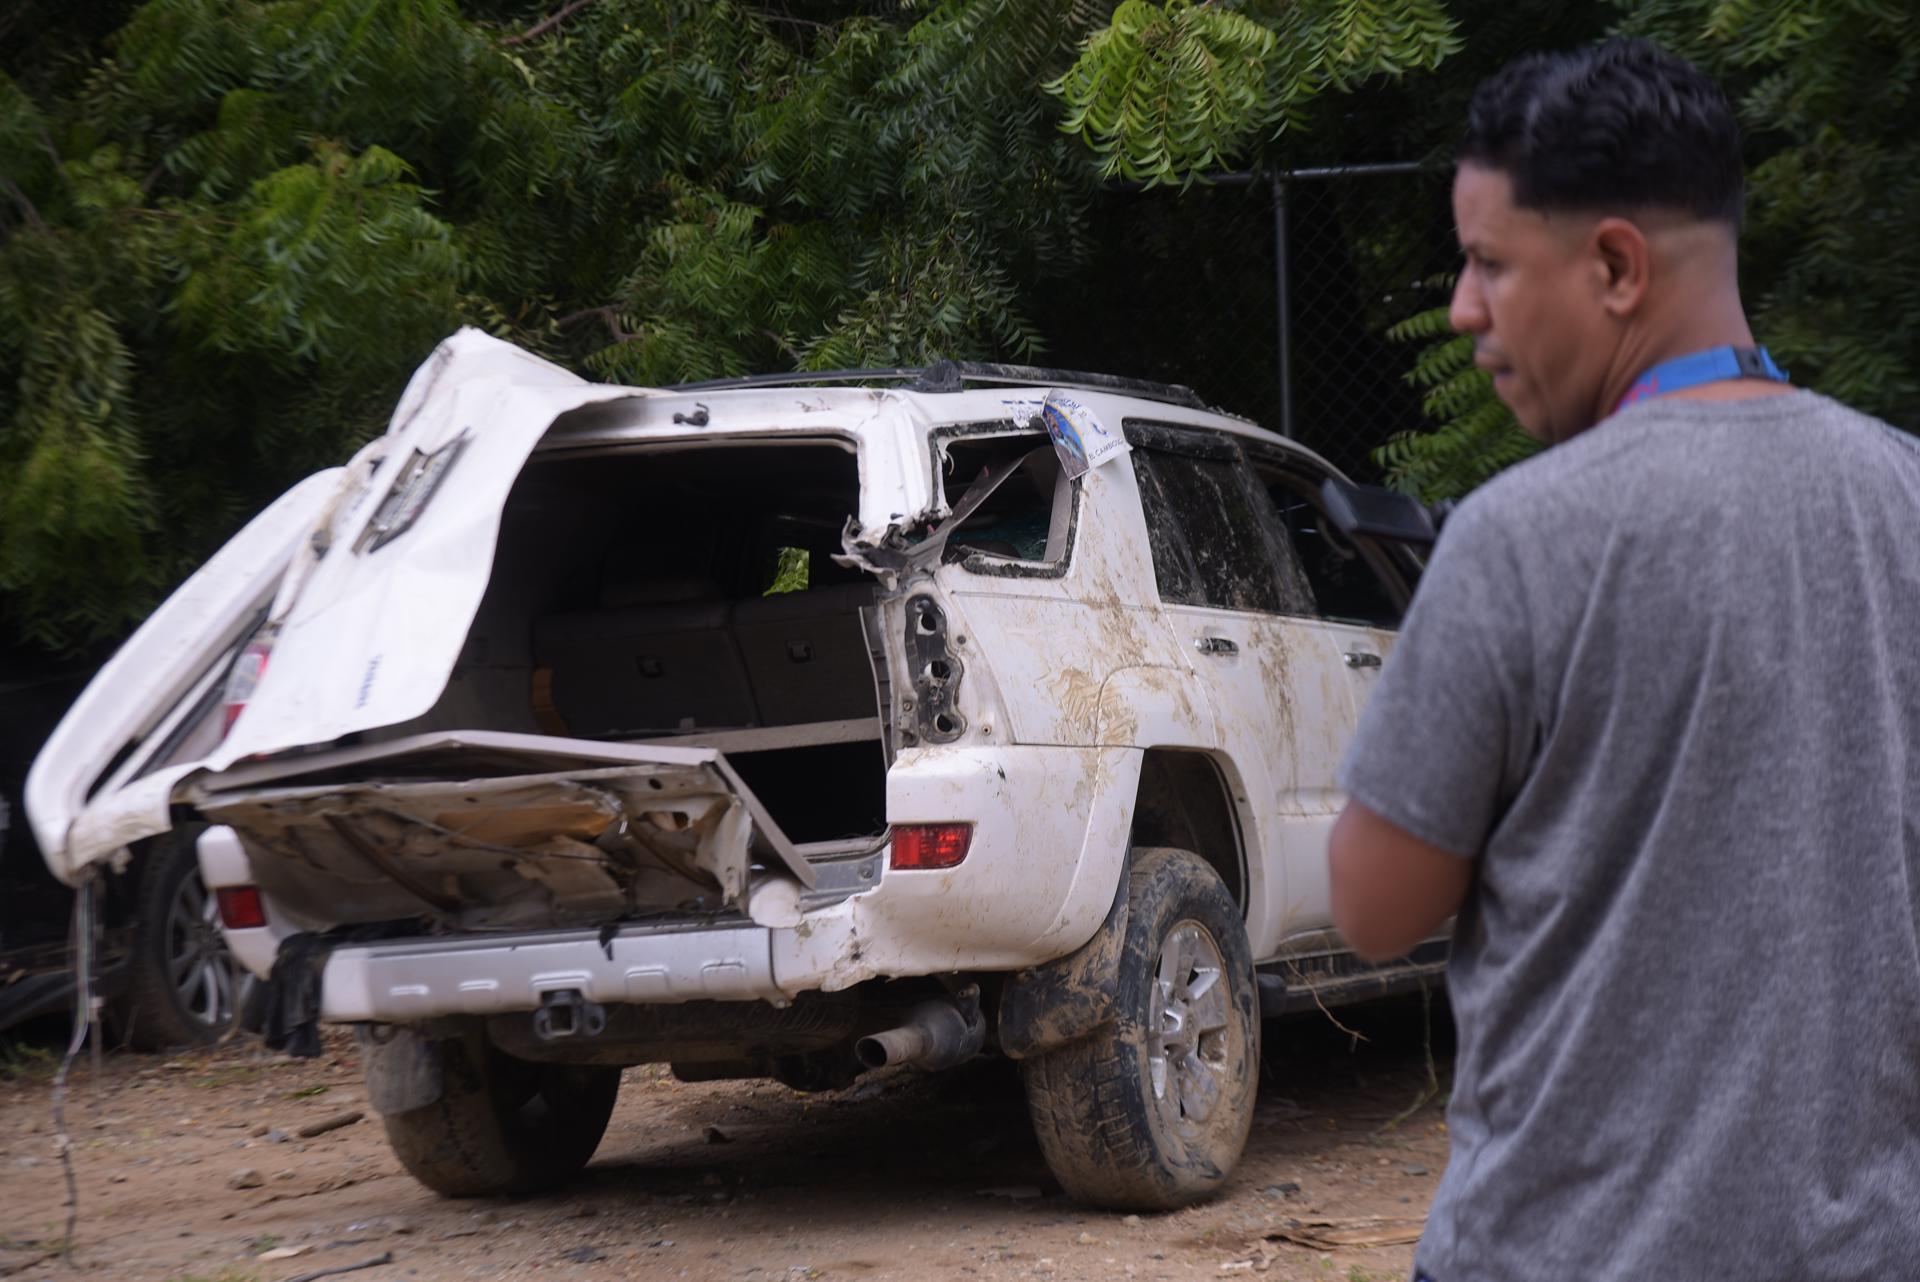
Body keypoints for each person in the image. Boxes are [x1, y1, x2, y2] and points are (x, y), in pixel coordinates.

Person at [1327, 37, 1920, 1282]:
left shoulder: (1519, 540)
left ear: (1612, 266)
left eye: (1489, 262)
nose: (1462, 308)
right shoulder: (1906, 496)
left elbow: (1375, 910)